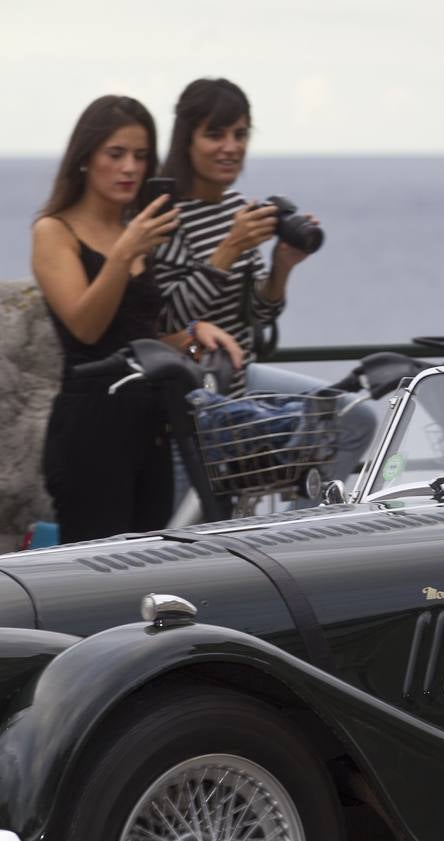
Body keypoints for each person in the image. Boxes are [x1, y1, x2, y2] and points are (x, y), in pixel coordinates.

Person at [30, 96, 241, 542]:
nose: (130, 168)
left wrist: (190, 337)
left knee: (150, 565)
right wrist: (126, 252)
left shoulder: (134, 229)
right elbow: (87, 328)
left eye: (141, 156)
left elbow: (137, 338)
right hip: (91, 427)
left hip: (151, 425)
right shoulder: (55, 231)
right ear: (85, 159)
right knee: (97, 575)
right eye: (116, 154)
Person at [153, 77, 380, 487]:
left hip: (238, 379)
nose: (230, 146)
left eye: (240, 135)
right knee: (193, 530)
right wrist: (227, 249)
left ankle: (302, 524)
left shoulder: (238, 208)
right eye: (215, 134)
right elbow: (168, 320)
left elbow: (259, 313)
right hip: (186, 394)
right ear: (187, 140)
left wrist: (283, 267)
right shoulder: (167, 218)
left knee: (354, 417)